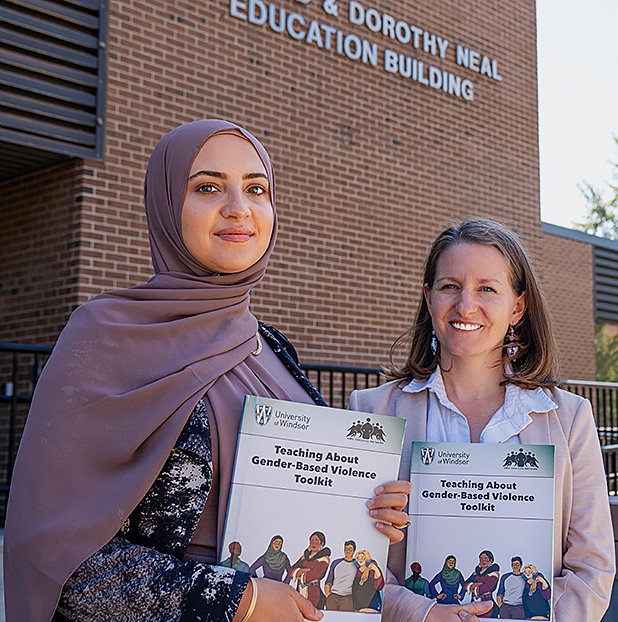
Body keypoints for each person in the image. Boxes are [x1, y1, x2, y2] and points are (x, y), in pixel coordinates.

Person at [3, 119, 410, 622]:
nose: (239, 208)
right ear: (168, 203)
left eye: (256, 189)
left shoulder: (270, 346)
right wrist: (240, 600)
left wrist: (364, 508)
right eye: (208, 187)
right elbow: (56, 556)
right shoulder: (106, 336)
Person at [350, 218, 616, 622]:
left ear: (517, 307)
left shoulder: (570, 418)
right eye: (449, 286)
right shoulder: (370, 411)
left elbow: (591, 570)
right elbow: (353, 553)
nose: (465, 305)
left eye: (487, 289)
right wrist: (421, 614)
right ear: (429, 297)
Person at [290, 531, 331, 609]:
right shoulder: (304, 557)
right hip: (300, 591)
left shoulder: (324, 559)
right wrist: (304, 570)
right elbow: (291, 571)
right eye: (312, 540)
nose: (313, 543)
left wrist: (299, 572)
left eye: (316, 540)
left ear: (322, 543)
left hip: (314, 594)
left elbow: (314, 575)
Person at [463, 550, 500, 617]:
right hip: (474, 604)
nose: (483, 560)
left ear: (490, 560)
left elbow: (487, 587)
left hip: (487, 604)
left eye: (485, 558)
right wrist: (477, 584)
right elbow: (465, 585)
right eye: (481, 558)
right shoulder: (475, 573)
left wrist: (473, 586)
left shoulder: (493, 574)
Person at [324, 540, 357, 610]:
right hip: (333, 596)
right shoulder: (336, 563)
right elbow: (329, 580)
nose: (348, 551)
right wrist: (328, 595)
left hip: (347, 598)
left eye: (350, 549)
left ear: (354, 551)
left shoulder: (357, 564)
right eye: (346, 549)